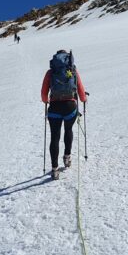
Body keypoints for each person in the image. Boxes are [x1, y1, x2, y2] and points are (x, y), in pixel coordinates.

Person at [41, 50, 87, 179]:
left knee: (54, 137)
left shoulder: (50, 73)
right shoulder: (72, 70)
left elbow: (44, 94)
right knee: (68, 130)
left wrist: (47, 101)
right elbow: (80, 89)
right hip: (70, 107)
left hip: (54, 108)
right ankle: (67, 158)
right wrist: (83, 99)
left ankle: (55, 169)